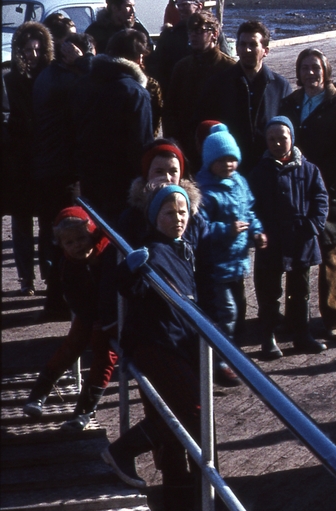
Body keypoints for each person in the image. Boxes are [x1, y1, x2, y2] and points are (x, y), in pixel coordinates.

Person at [101, 184, 204, 506]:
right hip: (157, 342)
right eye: (169, 212)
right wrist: (130, 271)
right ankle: (122, 450)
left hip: (177, 340)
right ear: (154, 215)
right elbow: (132, 284)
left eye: (183, 212)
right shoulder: (154, 251)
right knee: (192, 411)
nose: (178, 218)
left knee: (193, 412)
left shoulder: (182, 248)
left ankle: (198, 485)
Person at [280, 48, 336, 340]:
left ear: (325, 70)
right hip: (295, 189)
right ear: (298, 73)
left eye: (316, 67)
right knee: (296, 254)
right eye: (305, 68)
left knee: (330, 252)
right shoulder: (291, 103)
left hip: (328, 188)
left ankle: (334, 317)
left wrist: (316, 176)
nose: (310, 73)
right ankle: (295, 319)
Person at [22, 208, 119, 430]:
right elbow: (72, 297)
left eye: (81, 239)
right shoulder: (67, 265)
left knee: (104, 357)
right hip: (88, 313)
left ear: (92, 234)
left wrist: (104, 319)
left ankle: (84, 411)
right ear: (62, 245)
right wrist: (88, 317)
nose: (77, 246)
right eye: (70, 242)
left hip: (109, 316)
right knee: (71, 346)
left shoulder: (108, 254)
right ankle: (39, 393)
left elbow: (114, 290)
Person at [248, 116, 330, 357]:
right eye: (271, 139)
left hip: (301, 240)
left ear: (291, 139)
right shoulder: (259, 172)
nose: (276, 143)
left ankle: (301, 334)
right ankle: (268, 336)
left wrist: (313, 225)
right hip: (271, 242)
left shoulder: (309, 169)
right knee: (269, 292)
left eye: (281, 138)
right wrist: (258, 231)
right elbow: (250, 206)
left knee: (300, 291)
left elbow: (321, 199)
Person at [196, 124, 264, 379]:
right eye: (221, 160)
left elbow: (250, 212)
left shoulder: (240, 183)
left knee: (239, 309)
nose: (228, 165)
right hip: (217, 264)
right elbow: (201, 229)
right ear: (210, 161)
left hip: (238, 261)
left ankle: (231, 352)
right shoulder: (205, 190)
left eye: (232, 159)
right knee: (226, 312)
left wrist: (257, 231)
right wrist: (227, 230)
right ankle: (221, 360)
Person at [32, 31, 94, 312]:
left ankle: (53, 294)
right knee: (70, 234)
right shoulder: (71, 80)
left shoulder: (46, 76)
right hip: (66, 168)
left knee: (51, 233)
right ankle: (63, 297)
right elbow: (92, 93)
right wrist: (87, 62)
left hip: (46, 166)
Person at [75, 28, 154, 220]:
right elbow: (142, 143)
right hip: (122, 184)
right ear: (137, 59)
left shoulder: (85, 83)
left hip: (89, 177)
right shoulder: (135, 93)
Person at [196, 20, 291, 170]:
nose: (247, 50)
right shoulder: (218, 84)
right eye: (242, 44)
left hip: (269, 169)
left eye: (253, 45)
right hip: (230, 169)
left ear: (265, 50)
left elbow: (288, 131)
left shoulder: (280, 87)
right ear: (237, 48)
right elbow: (204, 126)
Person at [4, 22, 54, 297]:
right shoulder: (10, 79)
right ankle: (26, 278)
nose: (32, 55)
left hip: (45, 156)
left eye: (37, 49)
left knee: (46, 221)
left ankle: (46, 273)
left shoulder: (50, 77)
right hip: (19, 160)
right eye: (27, 50)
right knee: (22, 222)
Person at [165, 11, 238, 168]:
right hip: (185, 143)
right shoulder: (182, 67)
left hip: (217, 144)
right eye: (191, 31)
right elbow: (170, 108)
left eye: (199, 31)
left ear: (214, 34)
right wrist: (172, 139)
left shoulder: (229, 68)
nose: (193, 36)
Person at [84, 0, 153, 59]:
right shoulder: (95, 31)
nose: (133, 11)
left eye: (133, 6)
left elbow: (150, 50)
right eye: (128, 6)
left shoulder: (137, 29)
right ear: (114, 8)